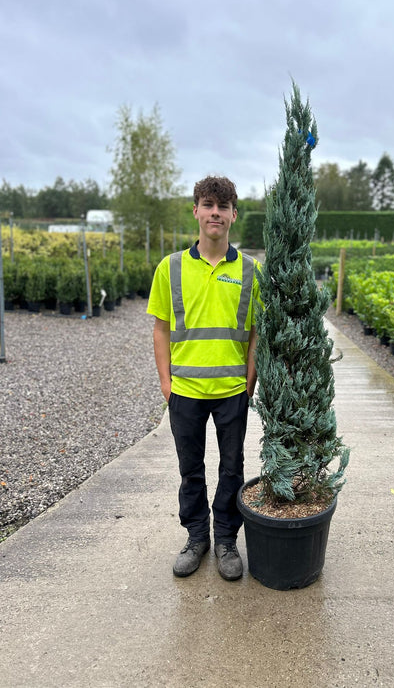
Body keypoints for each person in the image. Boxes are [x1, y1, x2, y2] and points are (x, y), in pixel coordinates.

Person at [147, 176, 261, 581]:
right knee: (190, 469)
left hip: (232, 391)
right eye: (208, 204)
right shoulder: (171, 268)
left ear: (233, 215)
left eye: (223, 206)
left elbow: (255, 334)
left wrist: (249, 382)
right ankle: (197, 538)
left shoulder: (251, 271)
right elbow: (161, 328)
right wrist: (166, 382)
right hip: (186, 391)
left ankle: (227, 539)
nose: (216, 212)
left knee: (232, 468)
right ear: (196, 210)